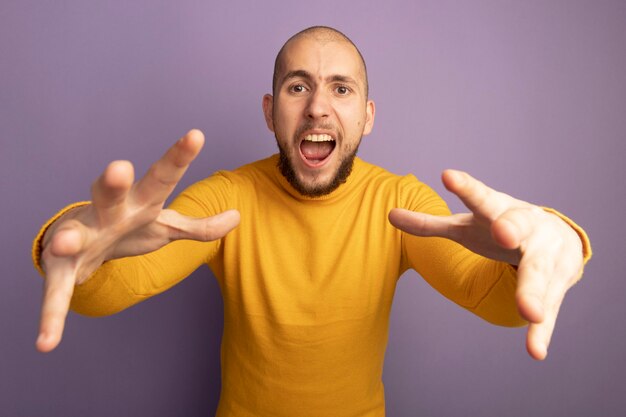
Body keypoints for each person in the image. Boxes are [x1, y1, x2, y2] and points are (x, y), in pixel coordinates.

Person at [33, 26, 591, 416]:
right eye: (297, 86)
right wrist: (83, 247)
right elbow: (105, 288)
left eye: (341, 89)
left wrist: (546, 246)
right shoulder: (228, 197)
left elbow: (488, 293)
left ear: (366, 117)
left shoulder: (398, 201)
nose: (318, 108)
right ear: (271, 111)